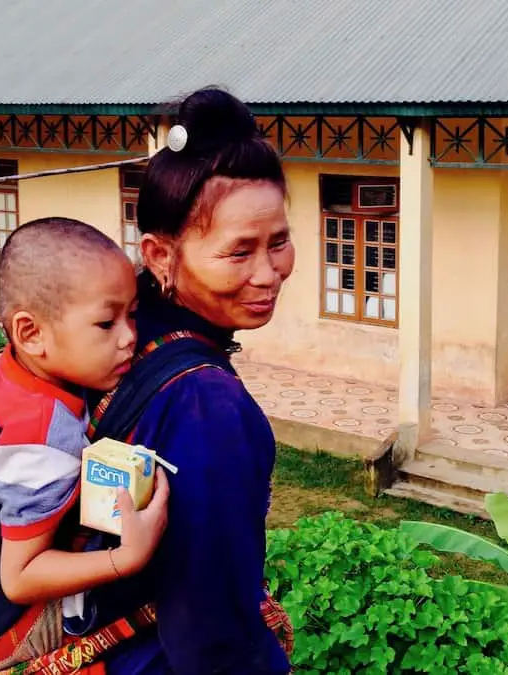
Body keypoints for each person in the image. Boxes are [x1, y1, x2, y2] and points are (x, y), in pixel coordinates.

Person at [87, 86, 296, 674]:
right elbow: (213, 637)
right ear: (160, 254)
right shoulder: (207, 404)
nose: (268, 273)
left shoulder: (116, 338)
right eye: (238, 253)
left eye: (278, 242)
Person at [0, 217, 169, 674]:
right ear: (32, 333)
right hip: (16, 625)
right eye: (105, 322)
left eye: (132, 315)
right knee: (174, 572)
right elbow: (20, 579)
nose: (129, 336)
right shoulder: (41, 441)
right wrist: (127, 557)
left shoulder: (24, 369)